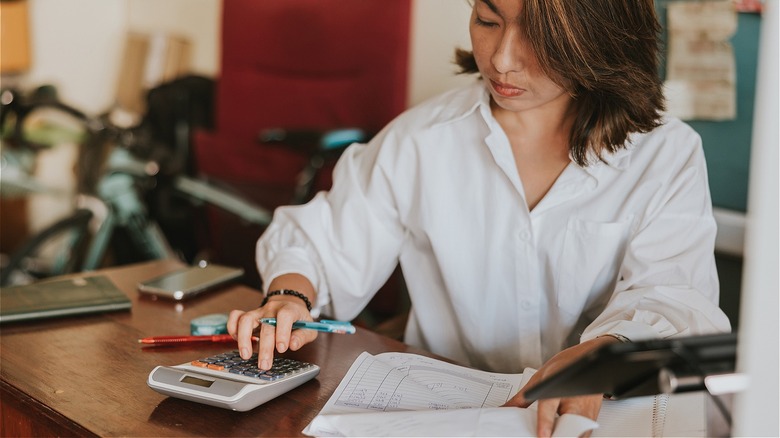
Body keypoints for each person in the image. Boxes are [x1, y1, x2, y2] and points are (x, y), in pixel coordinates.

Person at [229, 0, 731, 435]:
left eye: (539, 34)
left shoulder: (664, 152)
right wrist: (290, 295)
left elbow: (673, 297)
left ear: (599, 38)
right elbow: (322, 241)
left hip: (602, 417)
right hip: (445, 414)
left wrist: (603, 352)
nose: (502, 59)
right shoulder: (423, 139)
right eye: (487, 20)